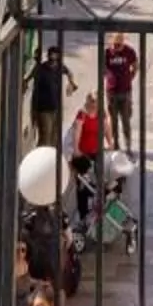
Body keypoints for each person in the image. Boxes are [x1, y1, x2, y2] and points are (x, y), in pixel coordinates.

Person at [30, 46, 72, 150]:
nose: (53, 57)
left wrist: (71, 84)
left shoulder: (59, 67)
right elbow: (31, 77)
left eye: (55, 54)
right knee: (45, 138)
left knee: (55, 137)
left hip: (56, 108)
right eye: (51, 54)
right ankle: (40, 158)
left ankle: (51, 158)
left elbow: (69, 72)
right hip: (43, 108)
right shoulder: (41, 68)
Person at [70, 96, 102, 229]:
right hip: (83, 156)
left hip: (97, 154)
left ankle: (96, 212)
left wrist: (111, 143)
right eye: (92, 101)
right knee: (83, 186)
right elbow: (77, 131)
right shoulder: (82, 114)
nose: (94, 104)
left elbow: (106, 127)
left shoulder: (101, 113)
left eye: (96, 102)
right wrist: (76, 149)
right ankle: (83, 215)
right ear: (88, 101)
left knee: (97, 184)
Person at [102, 35, 138, 152]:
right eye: (114, 44)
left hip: (125, 91)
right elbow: (102, 68)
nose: (116, 47)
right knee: (113, 120)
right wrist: (109, 76)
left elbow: (135, 65)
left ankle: (128, 146)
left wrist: (130, 77)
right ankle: (115, 145)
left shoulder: (129, 51)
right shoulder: (107, 53)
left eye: (119, 44)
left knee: (126, 119)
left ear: (123, 42)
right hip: (111, 91)